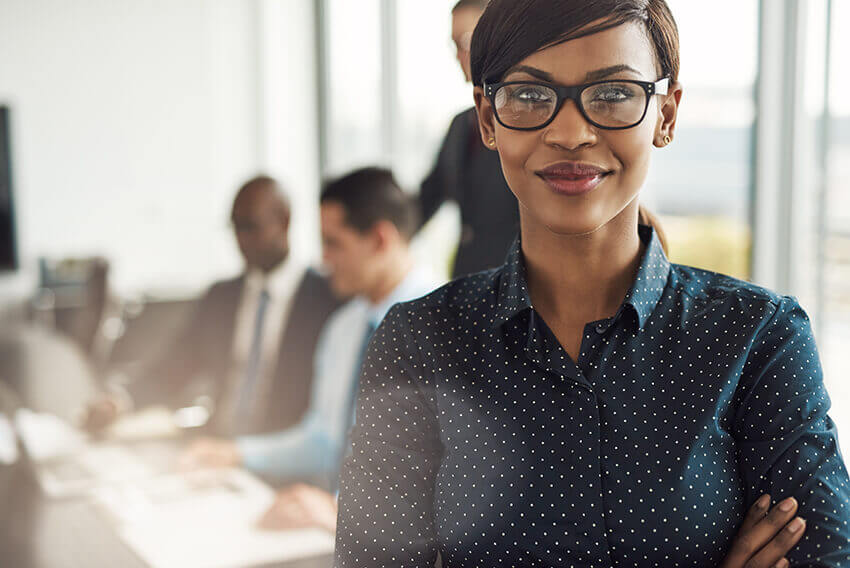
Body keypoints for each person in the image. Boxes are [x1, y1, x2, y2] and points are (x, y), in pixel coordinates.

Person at [334, 1, 850, 567]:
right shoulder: (419, 342)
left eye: (612, 94)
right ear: (486, 117)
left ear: (667, 114)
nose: (571, 133)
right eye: (530, 95)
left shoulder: (758, 339)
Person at [182, 168, 438, 493]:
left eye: (333, 243)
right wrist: (236, 453)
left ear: (379, 240)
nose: (324, 259)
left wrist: (339, 514)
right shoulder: (344, 328)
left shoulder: (452, 329)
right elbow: (323, 441)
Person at [82, 176, 341, 437]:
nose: (241, 240)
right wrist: (119, 401)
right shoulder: (222, 297)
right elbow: (173, 366)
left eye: (251, 227)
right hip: (216, 448)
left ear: (284, 221)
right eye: (236, 228)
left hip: (286, 459)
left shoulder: (325, 299)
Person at [418, 0, 520, 278]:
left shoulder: (527, 120)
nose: (458, 55)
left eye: (465, 40)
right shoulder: (461, 124)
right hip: (467, 279)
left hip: (516, 282)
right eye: (454, 44)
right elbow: (429, 196)